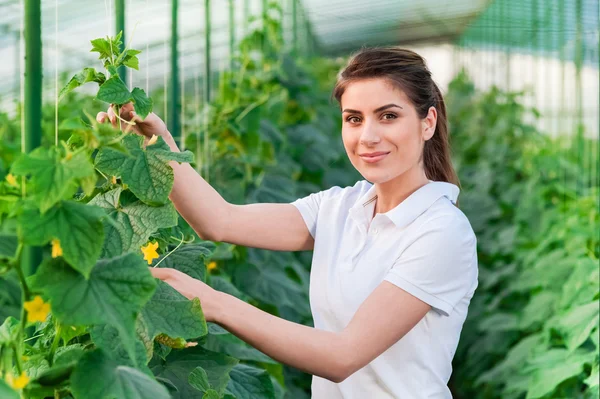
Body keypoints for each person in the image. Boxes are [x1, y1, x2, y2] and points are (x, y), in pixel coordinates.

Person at [97, 47, 479, 399]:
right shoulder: (341, 207)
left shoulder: (442, 232)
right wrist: (157, 143)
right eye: (354, 119)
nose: (368, 136)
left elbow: (342, 356)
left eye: (389, 116)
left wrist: (214, 304)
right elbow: (219, 220)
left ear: (427, 122)